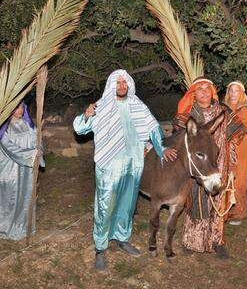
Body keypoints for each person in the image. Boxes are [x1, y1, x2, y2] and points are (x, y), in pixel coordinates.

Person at [73, 69, 176, 271]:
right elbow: (80, 129)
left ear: (129, 85)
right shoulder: (101, 107)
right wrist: (86, 115)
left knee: (127, 205)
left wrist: (161, 148)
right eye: (118, 83)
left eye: (125, 83)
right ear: (112, 86)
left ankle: (122, 238)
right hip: (109, 167)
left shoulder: (137, 105)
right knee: (105, 207)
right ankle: (100, 249)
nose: (122, 86)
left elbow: (153, 127)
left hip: (133, 165)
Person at [175, 77, 240, 257]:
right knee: (196, 201)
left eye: (207, 88)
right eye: (199, 89)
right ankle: (191, 241)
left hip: (220, 164)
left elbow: (234, 139)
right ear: (193, 94)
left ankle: (216, 241)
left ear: (213, 91)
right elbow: (179, 142)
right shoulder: (186, 116)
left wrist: (233, 164)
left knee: (218, 202)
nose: (204, 92)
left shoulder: (224, 112)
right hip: (197, 167)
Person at [0, 101, 44, 241]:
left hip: (26, 171)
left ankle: (23, 227)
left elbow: (38, 142)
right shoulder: (3, 128)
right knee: (9, 198)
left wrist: (39, 151)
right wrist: (32, 155)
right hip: (10, 170)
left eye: (21, 106)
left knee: (25, 196)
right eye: (16, 107)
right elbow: (10, 149)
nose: (19, 110)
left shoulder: (28, 125)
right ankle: (6, 229)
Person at [224, 81, 247, 225]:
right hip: (227, 149)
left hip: (240, 150)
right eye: (231, 91)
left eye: (237, 91)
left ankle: (239, 213)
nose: (233, 94)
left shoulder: (244, 111)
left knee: (238, 180)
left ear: (242, 94)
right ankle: (226, 211)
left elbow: (237, 132)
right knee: (227, 179)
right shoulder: (225, 109)